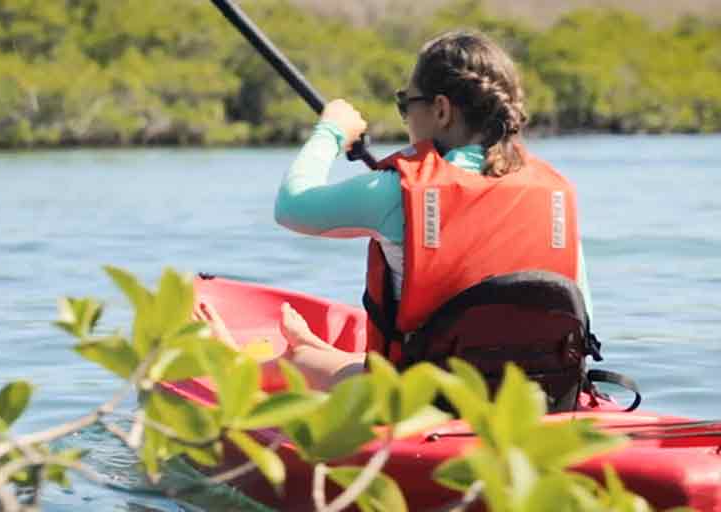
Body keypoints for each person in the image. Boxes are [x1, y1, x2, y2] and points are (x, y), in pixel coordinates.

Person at [205, 30, 594, 392]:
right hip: (542, 393)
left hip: (426, 400)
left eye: (406, 104)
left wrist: (331, 132)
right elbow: (579, 317)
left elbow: (291, 206)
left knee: (309, 366)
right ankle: (312, 351)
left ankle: (258, 366)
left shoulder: (396, 190)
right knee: (378, 363)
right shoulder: (555, 196)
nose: (406, 117)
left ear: (441, 110)